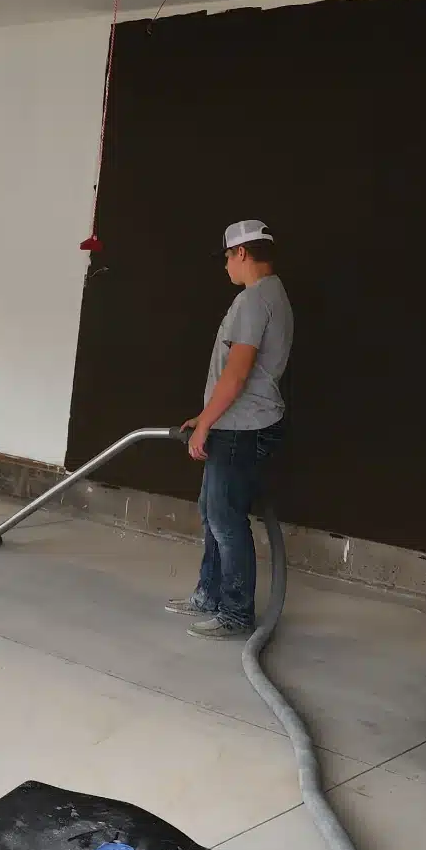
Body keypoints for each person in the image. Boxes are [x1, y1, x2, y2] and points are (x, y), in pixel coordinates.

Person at [168, 219, 293, 638]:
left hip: (242, 428)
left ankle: (236, 614)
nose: (225, 266)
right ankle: (209, 594)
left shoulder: (256, 300)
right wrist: (204, 418)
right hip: (234, 422)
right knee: (212, 511)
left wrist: (206, 426)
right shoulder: (268, 296)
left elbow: (237, 374)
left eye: (227, 257)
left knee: (225, 518)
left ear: (241, 253)